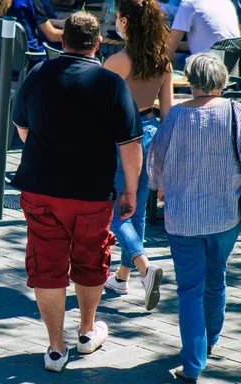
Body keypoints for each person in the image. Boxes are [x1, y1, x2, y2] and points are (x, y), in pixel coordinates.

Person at [12, 12, 143, 373]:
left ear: (62, 41)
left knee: (47, 266)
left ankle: (56, 347)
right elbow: (131, 145)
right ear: (98, 44)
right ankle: (86, 331)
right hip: (91, 192)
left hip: (41, 188)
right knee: (90, 261)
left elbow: (21, 125)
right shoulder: (110, 83)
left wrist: (43, 150)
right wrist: (131, 190)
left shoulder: (38, 74)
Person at [147, 53, 241, 384]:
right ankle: (211, 339)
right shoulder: (235, 112)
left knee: (190, 288)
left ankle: (192, 363)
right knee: (217, 278)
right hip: (225, 214)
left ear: (190, 79)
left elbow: (156, 158)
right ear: (223, 80)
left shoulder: (174, 116)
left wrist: (159, 188)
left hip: (183, 217)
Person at [102, 0, 173, 311]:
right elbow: (168, 113)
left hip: (121, 140)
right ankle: (122, 276)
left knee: (114, 212)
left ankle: (145, 267)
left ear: (126, 22)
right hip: (152, 135)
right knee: (137, 211)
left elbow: (98, 112)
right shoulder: (164, 63)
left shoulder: (117, 61)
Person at [166, 0, 240, 68]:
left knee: (165, 59)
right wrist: (178, 46)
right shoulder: (227, 3)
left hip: (206, 71)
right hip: (230, 69)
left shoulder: (188, 4)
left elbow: (169, 51)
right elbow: (209, 42)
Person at [0, 0, 64, 53]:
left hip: (1, 59)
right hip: (30, 59)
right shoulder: (29, 1)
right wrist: (74, 34)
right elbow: (51, 35)